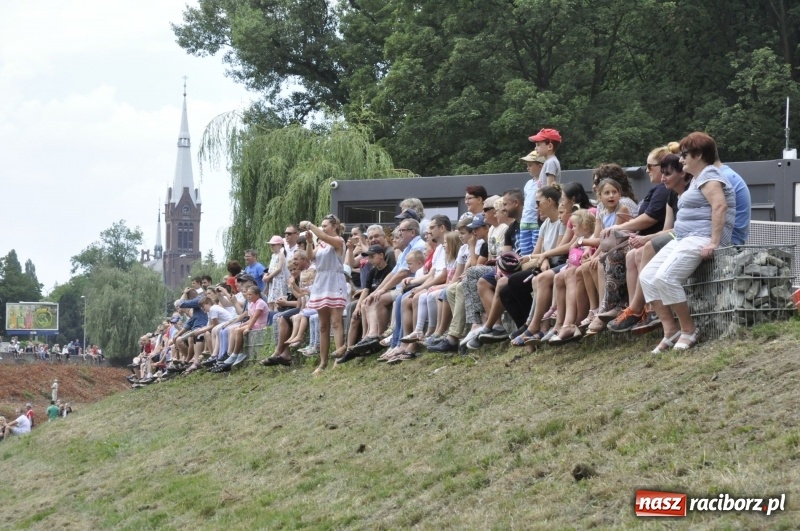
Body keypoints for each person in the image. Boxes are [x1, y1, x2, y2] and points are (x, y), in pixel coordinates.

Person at [639, 132, 735, 353]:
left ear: (699, 154)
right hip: (684, 238)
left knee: (666, 277)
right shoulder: (697, 180)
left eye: (685, 155)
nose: (681, 159)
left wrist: (713, 242)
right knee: (648, 276)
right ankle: (670, 330)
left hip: (700, 238)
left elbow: (720, 206)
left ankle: (689, 329)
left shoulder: (710, 175)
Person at [267, 215, 347, 375]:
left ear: (334, 227)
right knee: (323, 326)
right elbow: (310, 257)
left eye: (325, 225)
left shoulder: (339, 241)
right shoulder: (322, 243)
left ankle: (339, 358)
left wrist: (310, 225)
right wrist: (310, 242)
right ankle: (323, 362)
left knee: (336, 322)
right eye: (322, 226)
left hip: (334, 281)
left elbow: (324, 236)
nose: (323, 228)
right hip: (321, 281)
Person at [519, 150, 547, 255]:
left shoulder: (544, 183)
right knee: (525, 252)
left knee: (536, 251)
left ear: (540, 166)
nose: (527, 168)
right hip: (525, 221)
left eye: (530, 165)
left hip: (536, 221)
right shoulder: (528, 184)